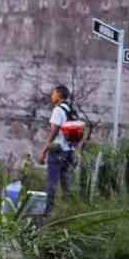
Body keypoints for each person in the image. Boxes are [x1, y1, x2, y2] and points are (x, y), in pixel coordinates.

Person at [40, 85, 83, 215]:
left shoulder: (58, 110)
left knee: (51, 181)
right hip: (69, 152)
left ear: (59, 95)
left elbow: (54, 131)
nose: (52, 96)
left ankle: (47, 212)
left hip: (57, 151)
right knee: (66, 184)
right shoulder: (71, 110)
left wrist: (44, 149)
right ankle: (68, 211)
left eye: (53, 93)